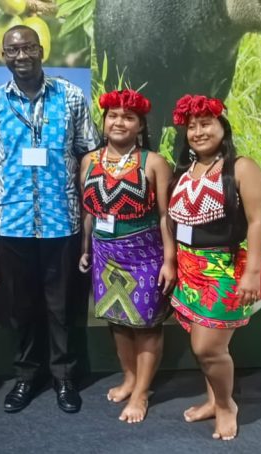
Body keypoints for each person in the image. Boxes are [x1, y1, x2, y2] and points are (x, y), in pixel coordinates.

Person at [0, 25, 99, 413]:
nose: (22, 55)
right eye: (13, 49)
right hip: (12, 222)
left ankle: (64, 378)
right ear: (3, 56)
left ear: (42, 50)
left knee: (61, 305)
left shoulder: (72, 97)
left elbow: (89, 154)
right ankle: (26, 377)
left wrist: (87, 212)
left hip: (60, 220)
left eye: (28, 47)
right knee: (21, 306)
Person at [167, 94, 261, 441]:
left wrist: (253, 272)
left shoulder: (242, 168)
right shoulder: (184, 170)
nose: (198, 132)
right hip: (187, 268)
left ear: (223, 127)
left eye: (206, 123)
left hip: (223, 269)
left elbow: (257, 223)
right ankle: (213, 399)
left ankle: (227, 406)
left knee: (208, 347)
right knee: (202, 342)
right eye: (191, 126)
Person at [77, 89, 174, 423]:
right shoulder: (89, 161)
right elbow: (88, 212)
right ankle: (130, 377)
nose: (119, 122)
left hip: (145, 254)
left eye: (128, 117)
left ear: (140, 125)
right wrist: (85, 248)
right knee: (118, 322)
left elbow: (165, 216)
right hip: (105, 254)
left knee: (146, 326)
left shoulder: (154, 162)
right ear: (104, 122)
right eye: (113, 116)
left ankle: (141, 393)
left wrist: (170, 260)